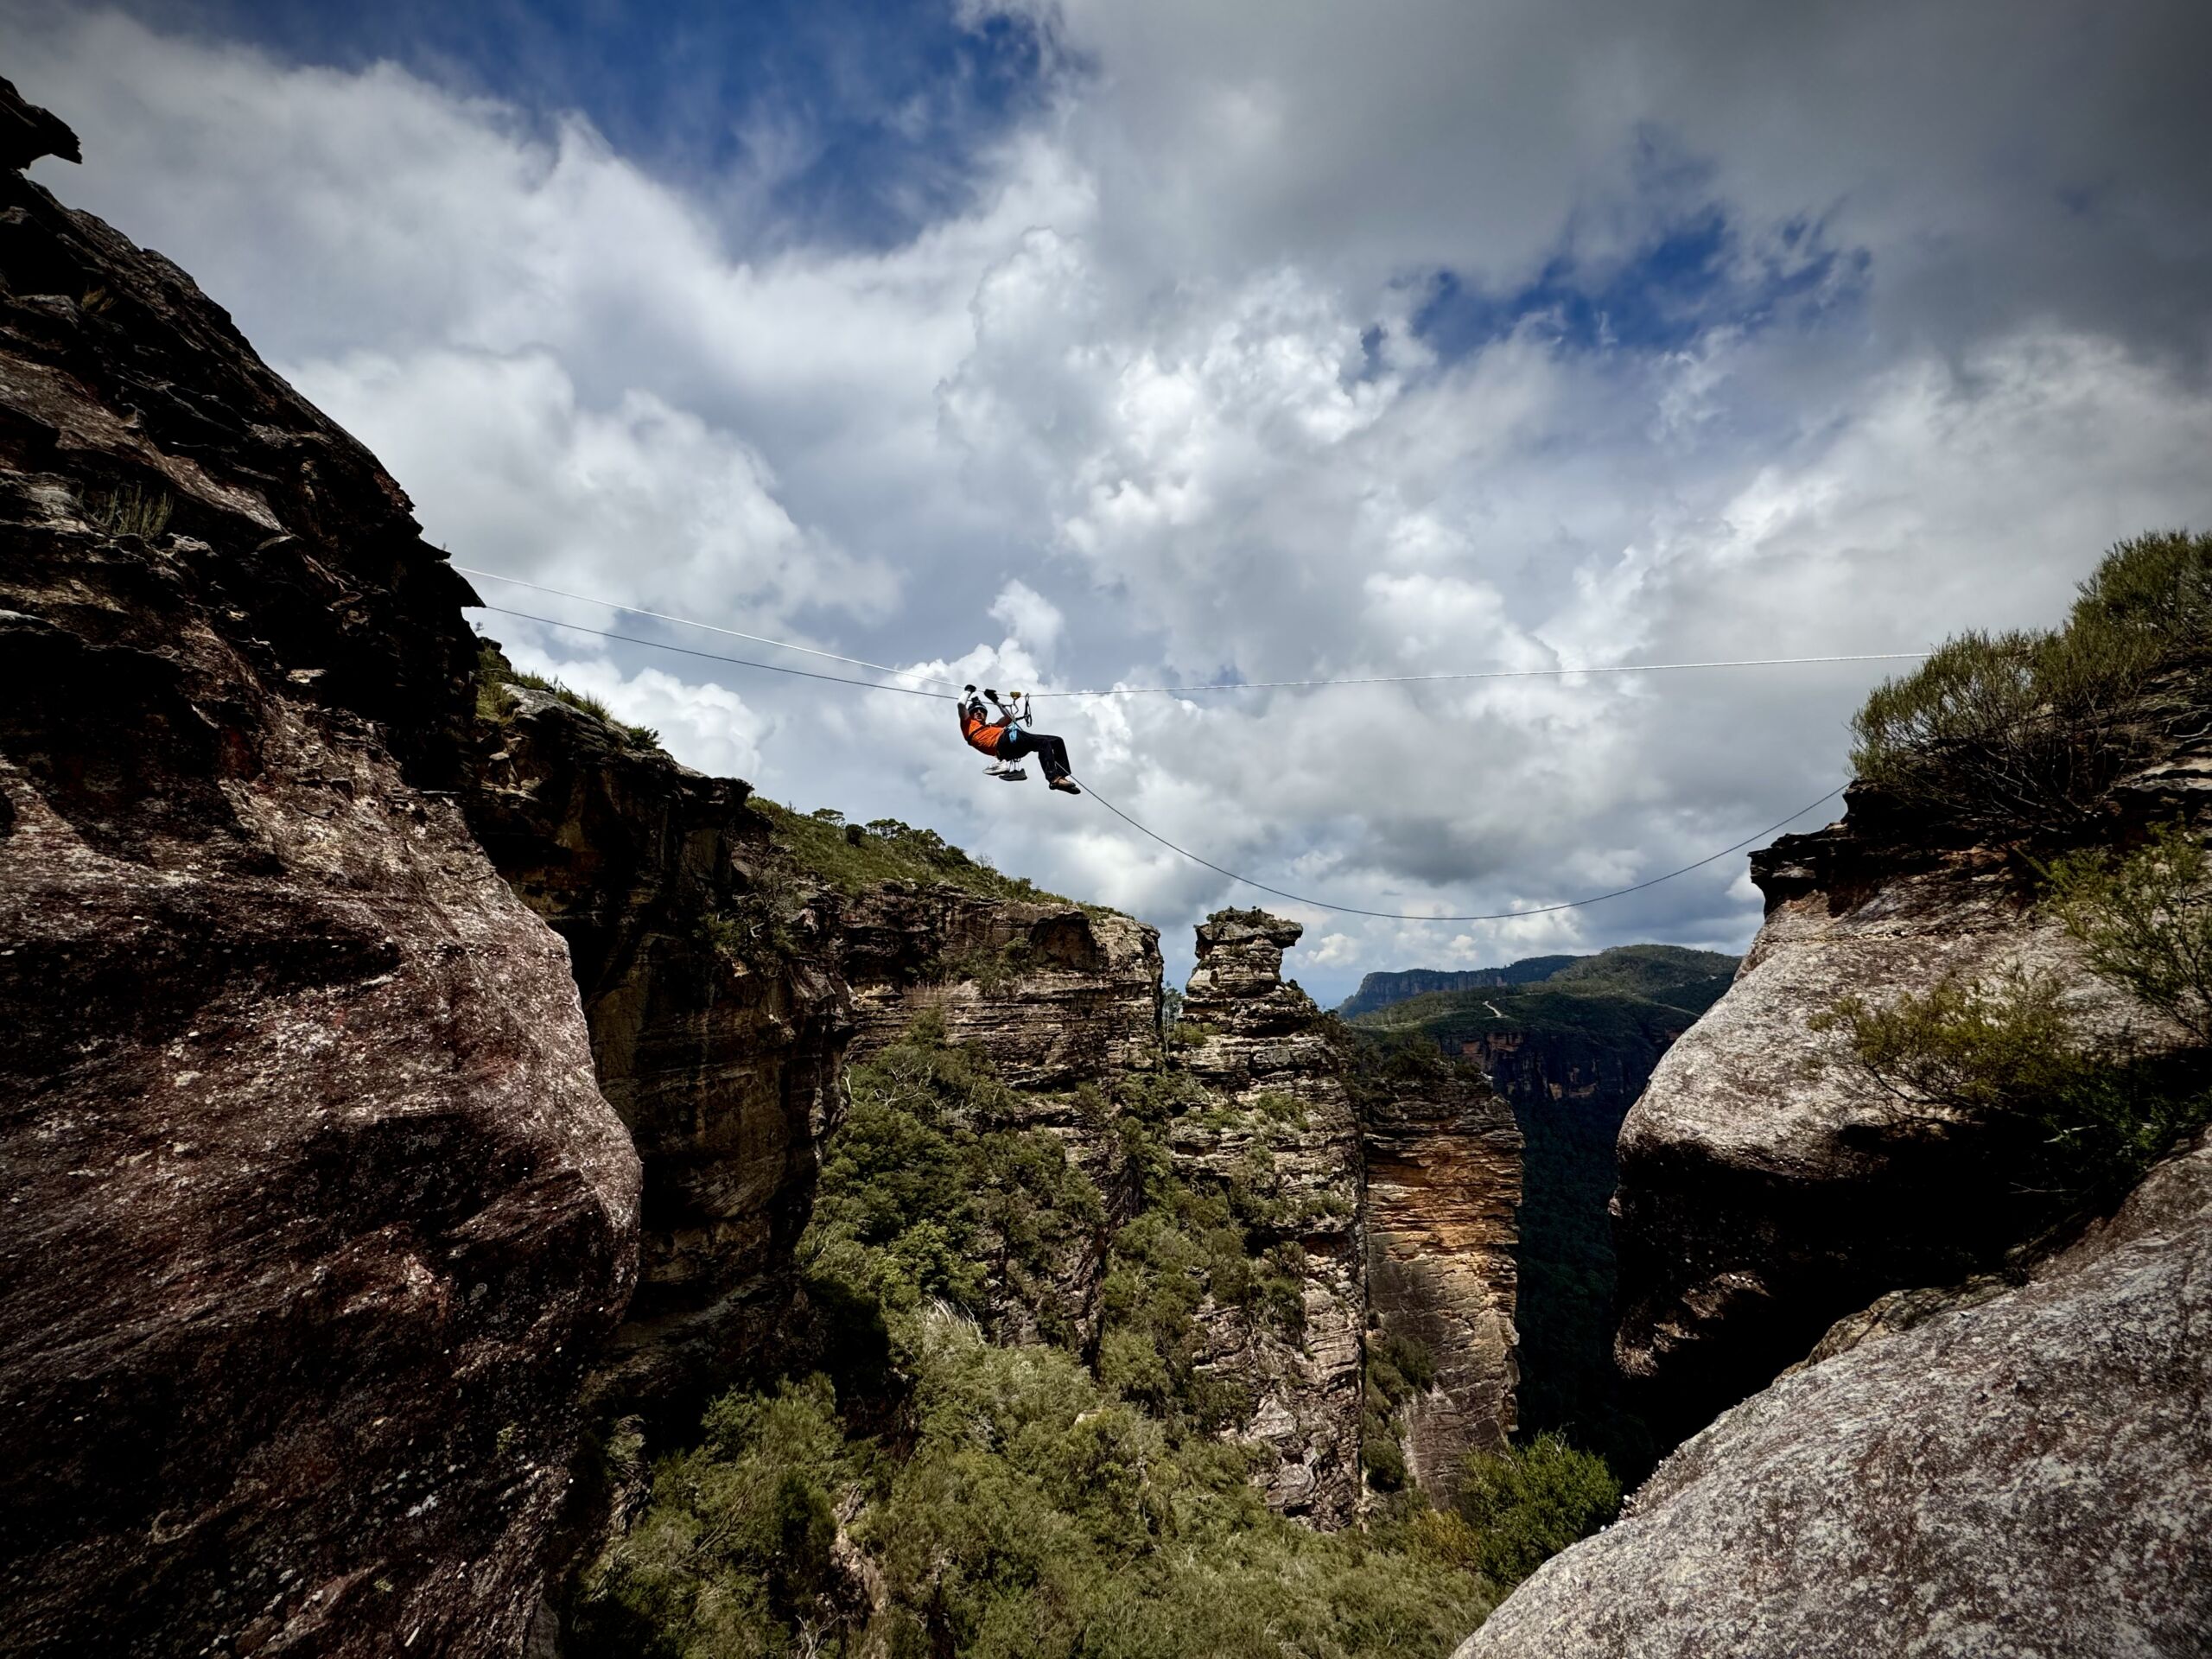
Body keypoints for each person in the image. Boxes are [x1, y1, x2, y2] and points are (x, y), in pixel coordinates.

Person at [958, 683, 1080, 794]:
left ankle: (1061, 777)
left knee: (1056, 741)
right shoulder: (967, 724)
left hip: (1014, 748)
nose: (979, 713)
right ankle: (1054, 779)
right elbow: (961, 704)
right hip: (1005, 743)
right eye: (975, 711)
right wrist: (968, 691)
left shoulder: (993, 726)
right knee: (1043, 742)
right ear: (970, 714)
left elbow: (1009, 717)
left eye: (982, 711)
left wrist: (995, 700)